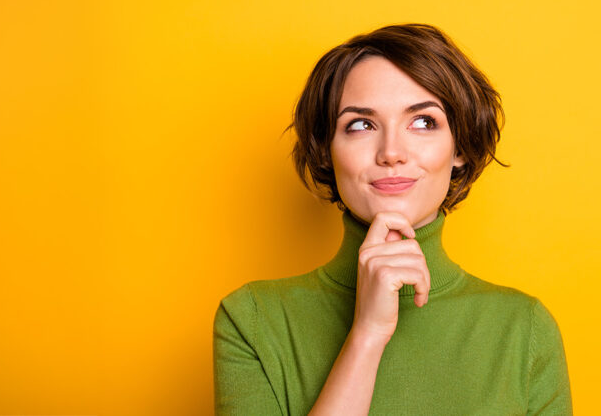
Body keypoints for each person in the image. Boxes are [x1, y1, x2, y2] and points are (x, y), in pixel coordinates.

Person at [212, 23, 572, 415]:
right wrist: (367, 335)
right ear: (327, 151)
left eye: (423, 122)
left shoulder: (524, 329)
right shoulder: (253, 320)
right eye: (361, 125)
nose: (391, 152)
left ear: (459, 147)